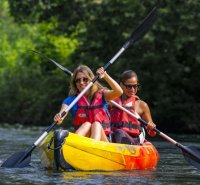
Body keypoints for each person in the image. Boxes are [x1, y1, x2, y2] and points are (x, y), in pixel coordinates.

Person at [54, 65, 123, 142]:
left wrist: (105, 76)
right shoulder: (71, 100)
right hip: (83, 140)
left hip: (103, 142)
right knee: (87, 124)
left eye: (85, 79)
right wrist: (59, 117)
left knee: (96, 124)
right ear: (75, 83)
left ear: (91, 80)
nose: (81, 82)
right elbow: (62, 113)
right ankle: (75, 145)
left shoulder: (102, 94)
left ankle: (92, 147)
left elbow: (119, 92)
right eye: (78, 80)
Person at [109, 70, 156, 145]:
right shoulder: (112, 102)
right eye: (129, 86)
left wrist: (151, 128)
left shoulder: (142, 105)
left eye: (135, 86)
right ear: (121, 85)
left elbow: (152, 133)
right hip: (113, 137)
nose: (133, 89)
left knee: (119, 132)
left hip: (133, 140)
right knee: (114, 133)